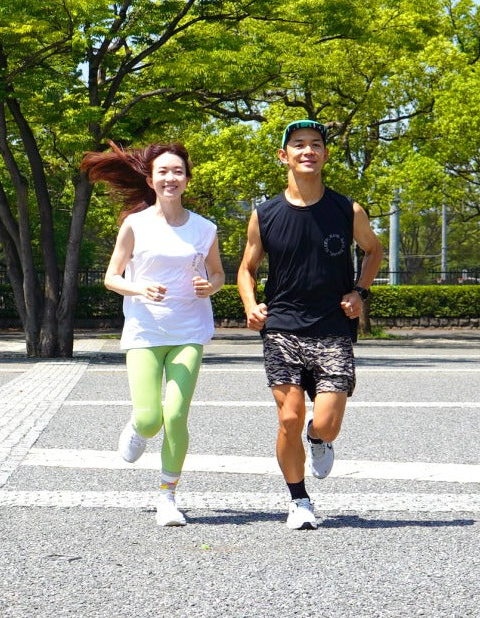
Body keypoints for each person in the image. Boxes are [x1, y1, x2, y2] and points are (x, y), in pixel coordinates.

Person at [237, 119, 384, 530]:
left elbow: (373, 250)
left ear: (325, 155)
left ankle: (317, 439)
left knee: (327, 424)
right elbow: (246, 268)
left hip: (332, 327)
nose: (308, 151)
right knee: (288, 418)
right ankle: (299, 501)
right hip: (282, 326)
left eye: (316, 144)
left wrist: (360, 292)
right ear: (283, 156)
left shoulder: (347, 209)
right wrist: (250, 305)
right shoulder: (264, 214)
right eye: (298, 144)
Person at [81, 140, 223, 528]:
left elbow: (218, 274)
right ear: (151, 180)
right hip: (145, 331)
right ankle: (136, 428)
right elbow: (112, 277)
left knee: (175, 415)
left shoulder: (204, 228)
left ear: (187, 180)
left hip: (188, 330)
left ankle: (167, 497)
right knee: (149, 419)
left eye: (177, 171)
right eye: (163, 171)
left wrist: (209, 287)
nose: (170, 177)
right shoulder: (135, 224)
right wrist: (139, 288)